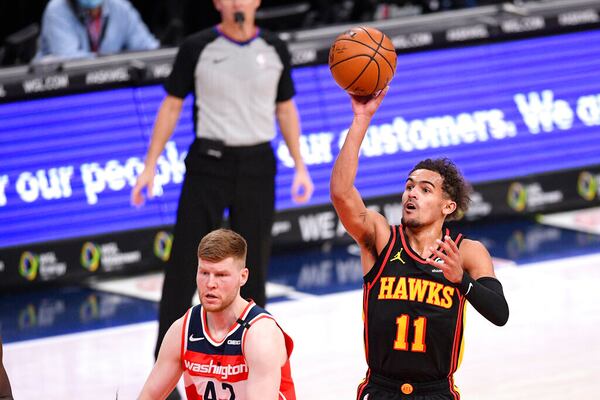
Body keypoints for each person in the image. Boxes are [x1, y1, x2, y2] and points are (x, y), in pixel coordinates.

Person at [131, 0, 312, 375]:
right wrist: (149, 166)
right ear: (216, 3)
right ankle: (166, 364)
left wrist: (300, 166)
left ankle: (252, 358)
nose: (236, 3)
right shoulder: (197, 47)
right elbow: (170, 107)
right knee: (185, 264)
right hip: (208, 164)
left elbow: (286, 109)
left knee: (254, 267)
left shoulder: (275, 47)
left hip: (258, 165)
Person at [330, 88, 509, 399]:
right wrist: (361, 119)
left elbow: (500, 313)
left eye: (425, 190)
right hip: (382, 388)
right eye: (409, 186)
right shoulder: (381, 238)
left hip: (436, 391)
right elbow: (341, 193)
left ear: (448, 206)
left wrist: (462, 281)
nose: (411, 193)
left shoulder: (466, 252)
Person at [138, 228, 296, 400]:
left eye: (221, 275)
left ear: (242, 277)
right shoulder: (183, 330)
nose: (210, 283)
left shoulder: (259, 335)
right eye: (204, 273)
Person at [37, 0, 159, 59]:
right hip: (60, 92)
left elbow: (149, 49)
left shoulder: (121, 8)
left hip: (108, 87)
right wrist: (114, 62)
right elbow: (69, 60)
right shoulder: (57, 10)